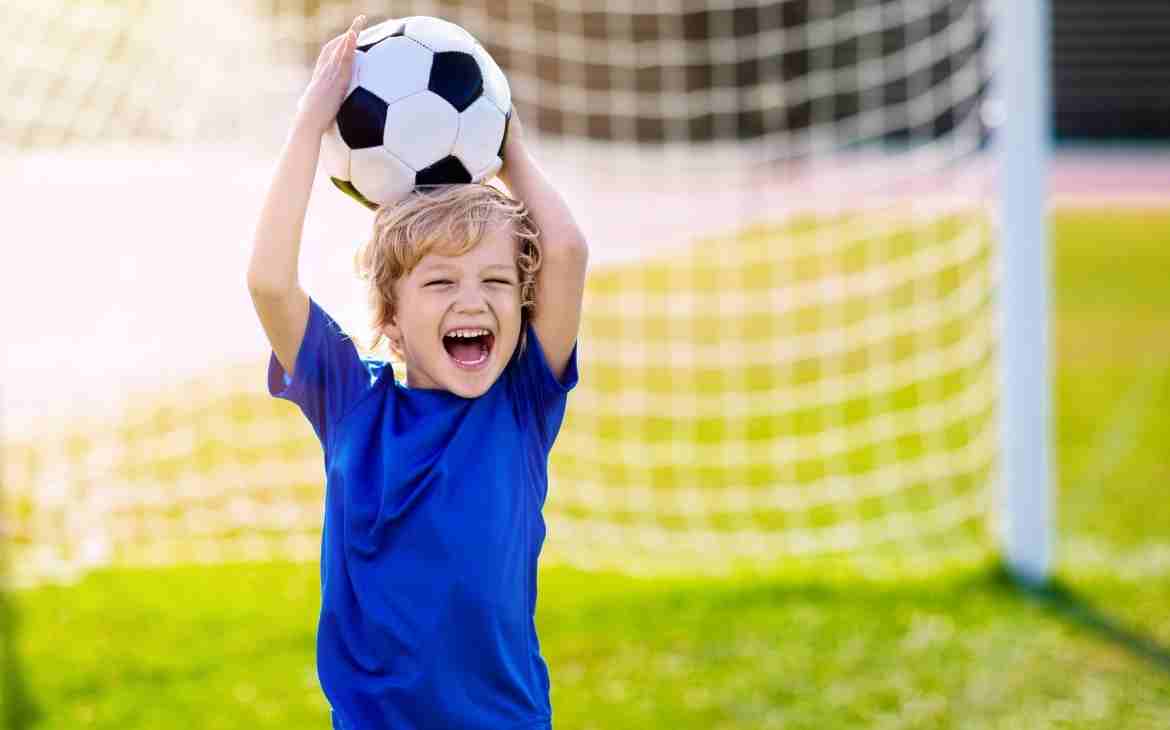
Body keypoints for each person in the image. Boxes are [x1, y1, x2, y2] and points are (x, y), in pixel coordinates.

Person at [246, 15, 588, 729]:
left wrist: (507, 146)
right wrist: (309, 126)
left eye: (496, 282)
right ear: (391, 318)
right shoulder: (349, 400)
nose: (474, 301)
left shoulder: (521, 404)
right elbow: (270, 282)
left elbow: (565, 252)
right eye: (440, 285)